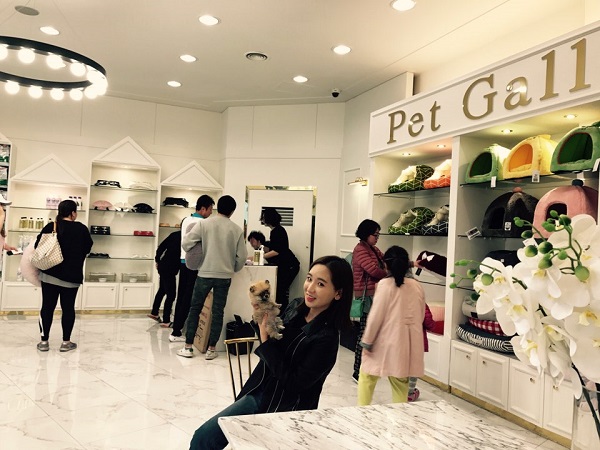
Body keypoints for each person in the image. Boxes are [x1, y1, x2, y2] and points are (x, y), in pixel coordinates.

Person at [189, 255, 353, 450]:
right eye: (309, 279)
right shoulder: (296, 307)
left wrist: (265, 340)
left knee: (203, 439)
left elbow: (294, 384)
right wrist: (261, 318)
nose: (310, 288)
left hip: (285, 408)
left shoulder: (326, 339)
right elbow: (274, 339)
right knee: (203, 438)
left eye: (321, 284)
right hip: (260, 388)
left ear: (338, 293)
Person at [178, 195, 247, 359]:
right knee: (218, 312)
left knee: (195, 309)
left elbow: (186, 243)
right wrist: (233, 268)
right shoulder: (237, 230)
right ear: (232, 211)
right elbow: (242, 257)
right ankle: (211, 349)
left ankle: (188, 347)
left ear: (217, 208)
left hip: (204, 274)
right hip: (224, 276)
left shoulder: (203, 224)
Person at [357, 245, 426, 405]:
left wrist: (367, 341)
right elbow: (421, 315)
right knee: (400, 382)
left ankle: (362, 410)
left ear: (385, 264)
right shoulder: (417, 286)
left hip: (383, 342)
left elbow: (376, 316)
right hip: (406, 344)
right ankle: (399, 415)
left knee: (367, 376)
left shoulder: (384, 285)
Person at [35, 199, 93, 352]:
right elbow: (87, 248)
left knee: (47, 307)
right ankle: (66, 342)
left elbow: (37, 246)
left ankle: (44, 342)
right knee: (68, 309)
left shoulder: (51, 226)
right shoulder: (81, 229)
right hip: (71, 277)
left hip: (49, 274)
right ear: (73, 213)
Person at [167, 195, 214, 337]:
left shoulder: (186, 220)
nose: (211, 213)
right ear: (203, 209)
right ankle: (180, 331)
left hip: (183, 261)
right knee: (189, 299)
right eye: (210, 209)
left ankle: (176, 328)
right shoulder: (202, 223)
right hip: (195, 265)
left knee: (181, 296)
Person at [351, 219, 387, 383]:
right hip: (366, 297)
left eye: (378, 235)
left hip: (374, 295)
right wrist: (388, 273)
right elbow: (373, 270)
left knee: (370, 333)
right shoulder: (360, 250)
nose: (377, 238)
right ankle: (358, 371)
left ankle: (366, 369)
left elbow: (386, 261)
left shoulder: (373, 249)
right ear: (366, 234)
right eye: (375, 235)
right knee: (365, 333)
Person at [260, 207, 300, 314]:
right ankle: (282, 314)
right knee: (280, 291)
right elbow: (275, 248)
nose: (262, 219)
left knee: (281, 291)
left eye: (263, 217)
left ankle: (284, 315)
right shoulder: (276, 230)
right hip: (287, 266)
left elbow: (277, 251)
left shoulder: (277, 231)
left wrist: (261, 256)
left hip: (290, 266)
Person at [148, 230, 181, 324]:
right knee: (171, 295)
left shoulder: (174, 234)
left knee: (162, 290)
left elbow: (161, 247)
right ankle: (166, 320)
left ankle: (154, 312)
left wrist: (157, 260)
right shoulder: (186, 237)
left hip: (163, 265)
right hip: (170, 268)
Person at [408, 303, 437, 402]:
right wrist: (434, 325)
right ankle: (410, 393)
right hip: (417, 343)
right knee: (414, 369)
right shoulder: (421, 304)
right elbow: (429, 324)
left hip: (401, 342)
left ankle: (401, 390)